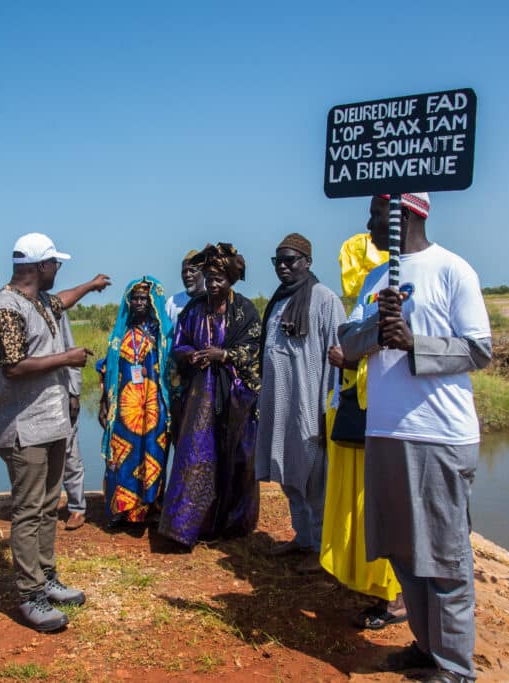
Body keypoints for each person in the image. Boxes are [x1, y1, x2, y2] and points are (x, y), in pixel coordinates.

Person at [339, 193, 492, 683]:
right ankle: (426, 648)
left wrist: (413, 343)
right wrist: (377, 332)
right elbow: (344, 346)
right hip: (385, 429)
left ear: (405, 214)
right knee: (404, 549)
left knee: (445, 555)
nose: (368, 224)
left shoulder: (452, 270)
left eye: (376, 215)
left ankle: (456, 668)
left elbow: (479, 349)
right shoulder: (374, 279)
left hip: (439, 434)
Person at [0, 232, 110, 632]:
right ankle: (30, 594)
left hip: (50, 423)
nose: (59, 270)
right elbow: (14, 366)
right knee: (28, 510)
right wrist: (66, 359)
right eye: (56, 264)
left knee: (47, 507)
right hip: (24, 428)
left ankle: (47, 577)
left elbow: (63, 299)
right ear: (39, 267)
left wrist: (89, 286)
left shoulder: (38, 301)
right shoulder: (5, 308)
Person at [321, 232, 405, 628]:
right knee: (357, 501)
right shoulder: (368, 295)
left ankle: (395, 594)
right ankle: (368, 581)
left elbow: (386, 344)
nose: (349, 274)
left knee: (383, 500)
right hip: (356, 408)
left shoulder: (400, 287)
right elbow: (350, 338)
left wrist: (351, 354)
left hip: (390, 413)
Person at [158, 243, 261, 547]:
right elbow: (178, 344)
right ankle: (192, 523)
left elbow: (253, 346)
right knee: (199, 452)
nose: (214, 285)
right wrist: (191, 356)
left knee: (237, 455)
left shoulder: (244, 309)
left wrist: (224, 354)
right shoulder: (193, 309)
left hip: (236, 395)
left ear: (231, 280)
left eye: (220, 280)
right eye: (210, 278)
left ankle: (234, 523)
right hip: (201, 394)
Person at [255, 233, 344, 574]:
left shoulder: (324, 299)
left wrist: (329, 410)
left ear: (307, 261)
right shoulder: (278, 301)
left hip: (311, 407)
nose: (282, 266)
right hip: (280, 406)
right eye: (277, 260)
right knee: (290, 474)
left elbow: (338, 357)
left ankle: (322, 549)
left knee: (315, 478)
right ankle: (303, 537)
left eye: (290, 260)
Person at [96, 277, 173, 527]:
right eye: (135, 298)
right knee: (122, 457)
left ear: (152, 303)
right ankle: (121, 510)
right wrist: (103, 403)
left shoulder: (162, 334)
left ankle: (149, 510)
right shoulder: (120, 333)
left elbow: (172, 372)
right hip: (124, 411)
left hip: (153, 409)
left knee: (151, 455)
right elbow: (107, 371)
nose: (139, 303)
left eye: (144, 299)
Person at [60, 307, 87, 531]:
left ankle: (77, 508)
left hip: (62, 394)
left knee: (70, 454)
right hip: (34, 401)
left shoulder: (56, 311)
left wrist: (74, 393)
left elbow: (73, 352)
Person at [165, 250, 205, 327]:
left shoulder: (213, 300)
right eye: (184, 271)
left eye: (192, 271)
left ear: (204, 272)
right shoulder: (172, 302)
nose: (187, 275)